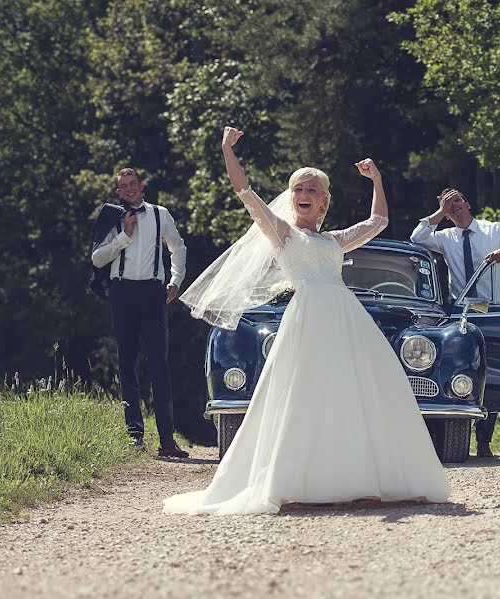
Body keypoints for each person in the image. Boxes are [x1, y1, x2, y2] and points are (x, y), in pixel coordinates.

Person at [163, 127, 449, 515]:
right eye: (298, 189)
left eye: (312, 190)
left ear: (323, 202)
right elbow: (245, 193)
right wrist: (227, 149)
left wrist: (377, 179)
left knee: (352, 392)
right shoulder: (282, 234)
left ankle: (359, 477)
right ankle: (296, 479)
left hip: (345, 320)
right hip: (308, 320)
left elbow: (379, 220)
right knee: (303, 392)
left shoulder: (334, 240)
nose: (303, 195)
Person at [410, 188, 500, 458]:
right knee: (461, 372)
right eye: (447, 204)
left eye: (457, 201)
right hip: (462, 312)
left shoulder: (492, 230)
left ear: (467, 203)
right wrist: (439, 212)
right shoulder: (445, 238)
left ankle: (485, 441)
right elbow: (417, 237)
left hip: (493, 311)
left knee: (492, 375)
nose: (454, 207)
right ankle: (452, 437)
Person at [91, 167, 190, 459]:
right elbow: (97, 259)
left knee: (159, 364)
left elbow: (179, 247)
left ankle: (167, 441)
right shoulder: (112, 217)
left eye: (133, 184)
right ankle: (134, 437)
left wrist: (175, 280)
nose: (130, 189)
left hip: (152, 293)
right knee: (127, 363)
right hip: (122, 292)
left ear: (142, 186)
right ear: (118, 192)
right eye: (124, 186)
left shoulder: (161, 214)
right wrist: (124, 236)